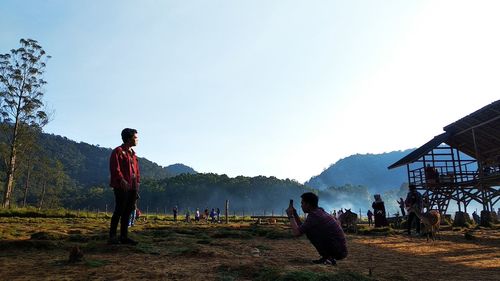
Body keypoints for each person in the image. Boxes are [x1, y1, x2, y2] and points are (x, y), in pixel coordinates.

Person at [286, 192, 348, 266]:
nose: (301, 206)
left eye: (302, 203)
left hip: (338, 251)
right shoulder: (319, 211)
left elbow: (297, 233)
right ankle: (327, 257)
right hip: (340, 249)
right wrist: (295, 214)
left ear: (308, 204)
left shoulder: (314, 216)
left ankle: (329, 258)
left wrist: (290, 216)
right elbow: (302, 228)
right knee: (309, 230)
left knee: (310, 233)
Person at [108, 128, 140, 245]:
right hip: (121, 187)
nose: (137, 140)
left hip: (132, 187)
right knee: (119, 210)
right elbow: (115, 168)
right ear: (129, 138)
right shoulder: (118, 151)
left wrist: (137, 184)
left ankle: (124, 236)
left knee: (128, 211)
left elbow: (137, 172)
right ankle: (112, 236)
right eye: (136, 137)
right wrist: (121, 179)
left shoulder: (134, 155)